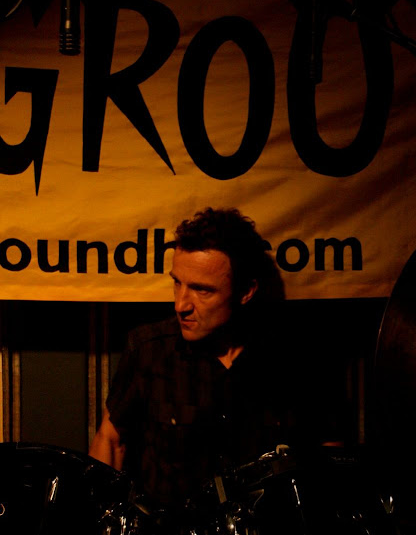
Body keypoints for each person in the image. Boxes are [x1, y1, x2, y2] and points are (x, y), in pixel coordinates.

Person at [89, 206, 336, 508]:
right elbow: (111, 441)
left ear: (245, 291)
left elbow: (329, 454)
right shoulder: (149, 350)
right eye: (177, 283)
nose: (180, 305)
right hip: (169, 532)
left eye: (201, 290)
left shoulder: (294, 359)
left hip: (268, 532)